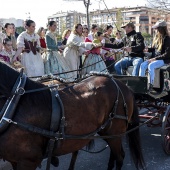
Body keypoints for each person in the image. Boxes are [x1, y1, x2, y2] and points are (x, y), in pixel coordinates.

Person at [139, 20, 170, 87]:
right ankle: (141, 83)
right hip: (156, 59)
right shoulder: (157, 38)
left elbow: (167, 54)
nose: (155, 30)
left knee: (151, 65)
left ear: (161, 29)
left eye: (156, 28)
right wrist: (148, 49)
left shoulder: (167, 39)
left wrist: (154, 59)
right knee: (143, 65)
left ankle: (151, 84)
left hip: (164, 60)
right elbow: (154, 48)